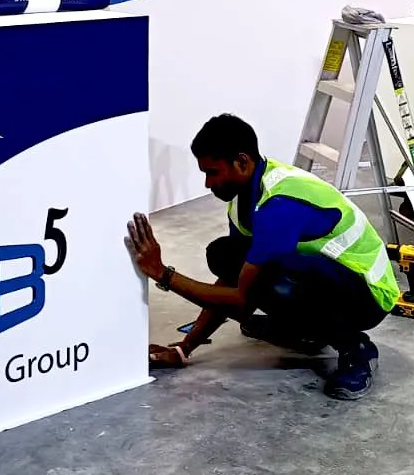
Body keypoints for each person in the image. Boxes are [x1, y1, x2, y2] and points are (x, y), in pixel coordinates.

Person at [125, 113, 399, 400]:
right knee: (225, 256)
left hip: (368, 295)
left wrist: (163, 274)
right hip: (332, 279)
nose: (207, 183)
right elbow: (234, 279)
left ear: (242, 162)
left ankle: (355, 347)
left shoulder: (278, 205)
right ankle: (305, 329)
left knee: (274, 281)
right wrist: (184, 348)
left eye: (213, 172)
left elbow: (241, 302)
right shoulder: (244, 200)